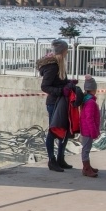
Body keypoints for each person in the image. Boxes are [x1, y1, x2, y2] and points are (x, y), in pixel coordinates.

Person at [37, 39, 75, 172]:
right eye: (66, 50)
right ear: (62, 52)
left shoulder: (60, 64)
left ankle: (60, 158)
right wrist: (60, 91)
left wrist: (69, 83)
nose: (67, 53)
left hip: (62, 103)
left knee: (64, 131)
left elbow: (58, 82)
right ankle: (52, 160)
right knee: (54, 131)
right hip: (54, 103)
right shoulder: (53, 66)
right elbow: (45, 86)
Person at [80, 76, 101, 178]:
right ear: (93, 89)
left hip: (86, 129)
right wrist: (94, 132)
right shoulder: (91, 102)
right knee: (86, 149)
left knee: (86, 149)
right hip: (88, 130)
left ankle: (88, 166)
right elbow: (89, 118)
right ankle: (86, 168)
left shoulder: (86, 100)